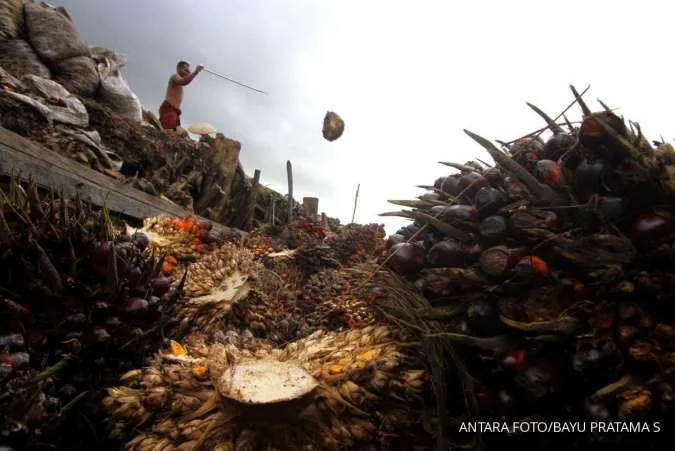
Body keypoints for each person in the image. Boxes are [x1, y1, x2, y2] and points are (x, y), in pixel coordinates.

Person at [159, 61, 203, 131]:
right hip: (169, 109)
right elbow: (183, 81)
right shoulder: (174, 76)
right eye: (186, 70)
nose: (188, 72)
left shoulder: (180, 82)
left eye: (188, 71)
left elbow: (185, 80)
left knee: (173, 134)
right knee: (168, 132)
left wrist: (194, 72)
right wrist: (196, 72)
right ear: (179, 69)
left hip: (174, 111)